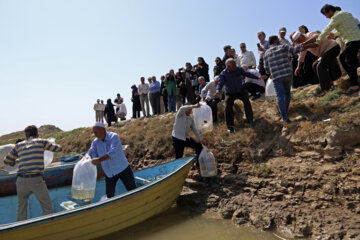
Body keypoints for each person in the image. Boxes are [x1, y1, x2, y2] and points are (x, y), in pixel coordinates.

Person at [4, 125, 62, 221]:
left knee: (21, 208)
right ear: (37, 134)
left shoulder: (19, 145)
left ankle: (20, 230)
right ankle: (44, 229)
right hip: (36, 180)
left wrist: (14, 162)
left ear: (26, 136)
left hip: (21, 181)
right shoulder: (41, 141)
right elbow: (59, 149)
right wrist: (50, 143)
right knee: (47, 207)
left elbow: (6, 161)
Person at [315, 4, 360, 95]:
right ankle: (353, 77)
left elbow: (327, 29)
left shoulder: (336, 17)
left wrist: (318, 41)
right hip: (355, 38)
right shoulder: (346, 13)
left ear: (330, 11)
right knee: (343, 58)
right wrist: (334, 35)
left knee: (349, 60)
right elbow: (347, 28)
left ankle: (355, 84)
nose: (325, 16)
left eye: (325, 14)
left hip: (352, 39)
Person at [86, 122, 136, 198]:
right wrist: (85, 156)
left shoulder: (114, 137)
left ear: (103, 130)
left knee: (133, 191)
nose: (95, 134)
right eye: (94, 132)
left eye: (96, 132)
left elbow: (113, 152)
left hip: (123, 169)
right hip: (109, 173)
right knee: (109, 196)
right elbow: (91, 152)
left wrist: (99, 160)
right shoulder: (95, 142)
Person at [215, 59, 266, 133]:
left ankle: (250, 121)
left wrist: (258, 77)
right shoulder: (223, 74)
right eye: (234, 65)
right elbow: (220, 84)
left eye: (235, 64)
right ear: (229, 66)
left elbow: (247, 74)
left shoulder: (238, 69)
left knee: (247, 102)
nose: (236, 66)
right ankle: (230, 127)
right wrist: (218, 91)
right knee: (228, 107)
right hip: (230, 93)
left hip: (240, 90)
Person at [263, 36, 305, 122]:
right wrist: (306, 46)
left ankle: (284, 117)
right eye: (278, 39)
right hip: (287, 74)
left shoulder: (266, 53)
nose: (279, 40)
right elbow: (295, 50)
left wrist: (269, 73)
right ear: (275, 40)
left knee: (280, 96)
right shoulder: (283, 47)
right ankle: (285, 113)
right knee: (287, 94)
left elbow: (266, 68)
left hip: (276, 76)